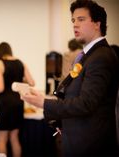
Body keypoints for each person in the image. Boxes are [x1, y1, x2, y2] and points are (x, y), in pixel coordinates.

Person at [21, 0, 119, 156]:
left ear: (97, 24)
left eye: (81, 19)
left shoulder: (101, 57)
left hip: (90, 145)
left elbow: (86, 103)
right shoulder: (87, 56)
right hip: (78, 140)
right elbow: (74, 93)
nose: (75, 25)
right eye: (73, 20)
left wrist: (44, 103)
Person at [0, 42, 35, 157]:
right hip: (18, 102)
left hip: (5, 103)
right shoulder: (20, 63)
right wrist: (18, 79)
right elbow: (32, 82)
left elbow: (1, 88)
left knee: (2, 138)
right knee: (14, 137)